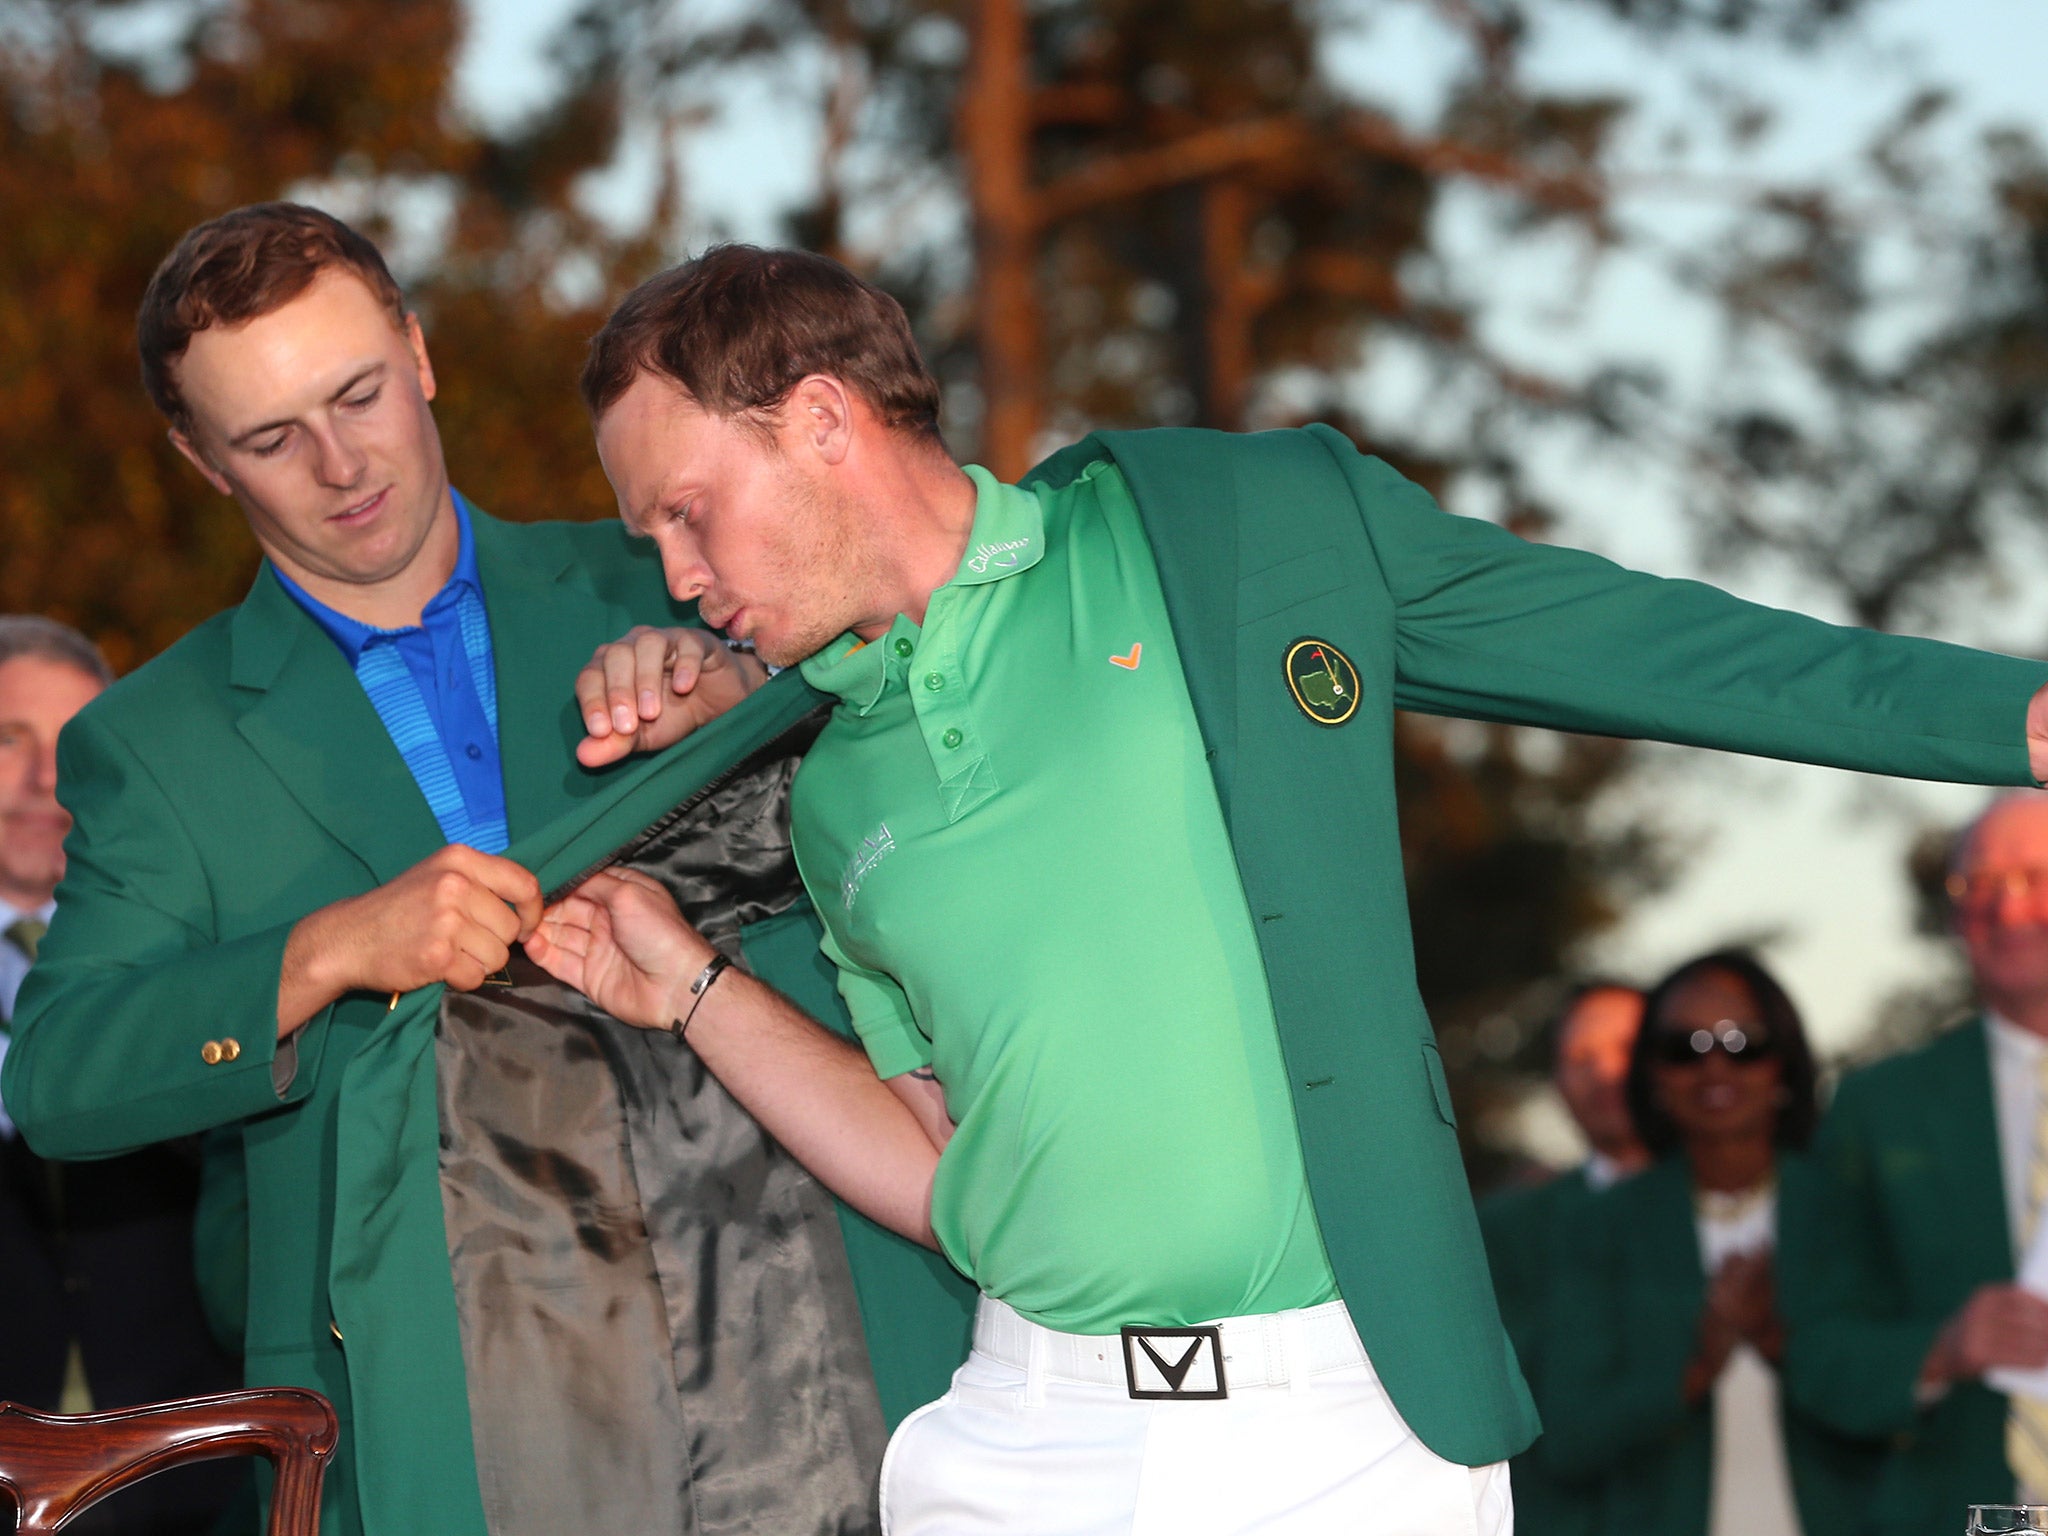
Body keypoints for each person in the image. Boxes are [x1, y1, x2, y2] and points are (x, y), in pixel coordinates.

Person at [524, 241, 2048, 1536]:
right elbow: (941, 1170)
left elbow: (1632, 642)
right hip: (1022, 1444)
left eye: (683, 509)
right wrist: (696, 994)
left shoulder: (1239, 532)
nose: (671, 569)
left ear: (821, 419)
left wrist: (2011, 720)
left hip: (1344, 1435)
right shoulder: (835, 781)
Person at [3, 206, 965, 1536]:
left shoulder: (672, 561)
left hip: (817, 1350)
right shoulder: (157, 746)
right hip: (435, 1424)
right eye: (272, 437)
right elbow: (55, 1080)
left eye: (359, 393)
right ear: (198, 460)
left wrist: (746, 686)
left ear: (419, 349)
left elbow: (921, 748)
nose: (342, 464)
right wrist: (327, 954)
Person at [0, 616, 243, 1535]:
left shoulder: (206, 956)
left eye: (73, 745)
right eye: (8, 741)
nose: (46, 781)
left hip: (191, 1464)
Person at [1783, 789, 2048, 1529]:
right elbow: (1818, 1356)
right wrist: (1941, 1349)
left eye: (2037, 877)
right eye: (1981, 885)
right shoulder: (1879, 1106)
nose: (2009, 907)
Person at [1543, 951, 1878, 1536]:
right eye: (1684, 1047)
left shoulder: (1852, 1207)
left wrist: (1776, 1339)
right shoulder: (1600, 1228)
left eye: (1742, 1043)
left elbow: (1909, 1403)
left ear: (1784, 1061)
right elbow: (1568, 1437)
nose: (1715, 1069)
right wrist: (1697, 1366)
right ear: (1652, 1073)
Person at [1477, 982, 1649, 1535]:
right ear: (1556, 1083)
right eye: (1581, 1058)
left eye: (1627, 1046)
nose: (1606, 1075)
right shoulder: (1509, 1233)